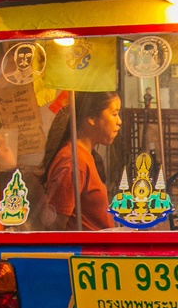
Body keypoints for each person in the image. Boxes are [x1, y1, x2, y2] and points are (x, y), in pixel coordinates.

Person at [41, 90, 122, 230]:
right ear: (91, 117)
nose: (119, 121)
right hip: (85, 251)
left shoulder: (84, 156)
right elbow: (55, 228)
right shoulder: (73, 163)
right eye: (114, 114)